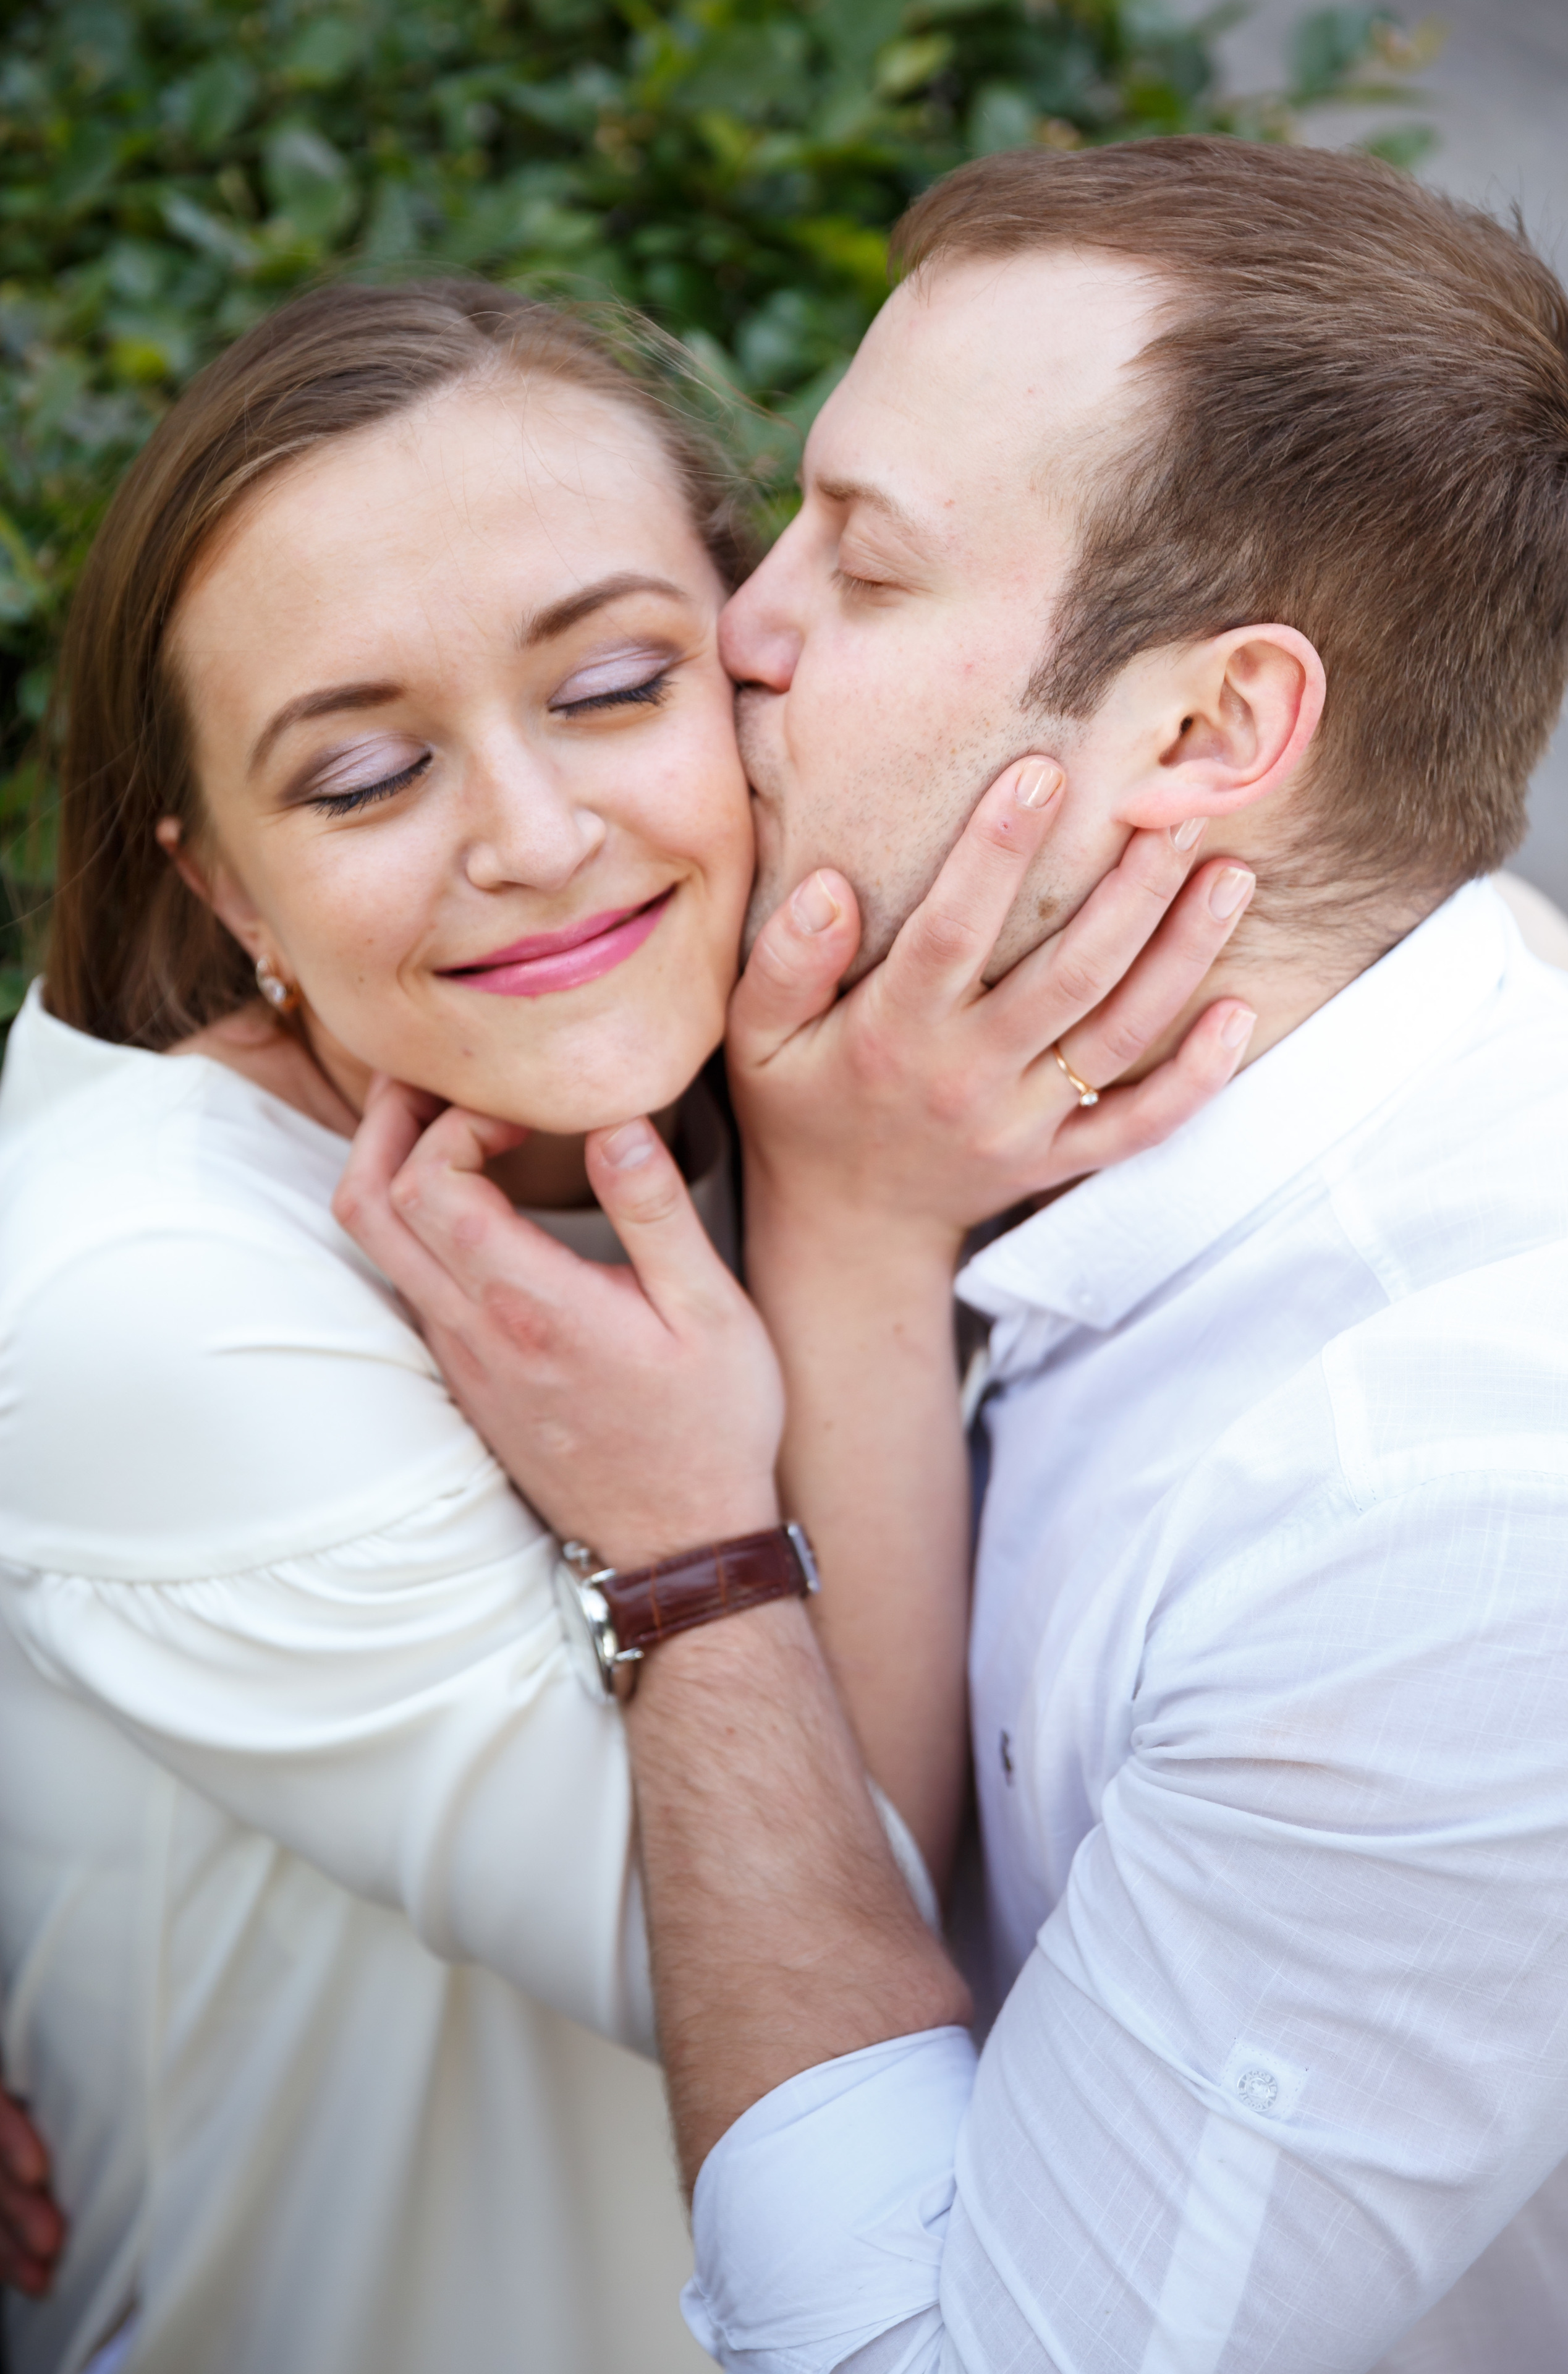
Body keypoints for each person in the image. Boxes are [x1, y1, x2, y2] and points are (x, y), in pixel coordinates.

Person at [335, 139, 1568, 2373]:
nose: (744, 629)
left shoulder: (1454, 1516)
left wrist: (696, 1560)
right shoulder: (1003, 1039)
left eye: (868, 567)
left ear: (1208, 734)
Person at [0, 274, 1245, 2374]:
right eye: (368, 772)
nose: (538, 837)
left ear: (760, 659)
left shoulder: (841, 1027)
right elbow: (817, 1962)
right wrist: (833, 1261)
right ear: (221, 890)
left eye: (608, 687)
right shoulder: (154, 1300)